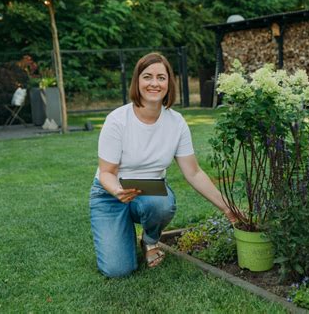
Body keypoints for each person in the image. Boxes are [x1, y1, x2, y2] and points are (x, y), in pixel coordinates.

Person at [89, 52, 237, 278]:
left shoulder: (176, 123)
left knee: (162, 203)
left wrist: (227, 207)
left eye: (161, 77)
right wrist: (118, 191)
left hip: (150, 191)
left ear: (169, 82)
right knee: (118, 270)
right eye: (147, 77)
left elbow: (194, 172)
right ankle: (120, 227)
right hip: (110, 192)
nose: (154, 83)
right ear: (137, 81)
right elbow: (107, 173)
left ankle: (149, 241)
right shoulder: (117, 120)